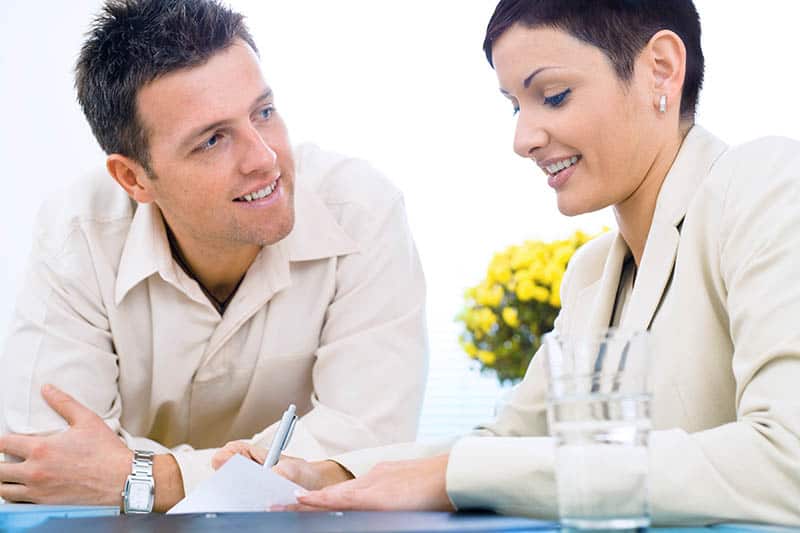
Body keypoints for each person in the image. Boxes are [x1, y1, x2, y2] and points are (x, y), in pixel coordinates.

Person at [218, 0, 800, 525]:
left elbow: (787, 463)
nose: (523, 138)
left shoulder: (766, 185)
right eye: (513, 104)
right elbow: (505, 440)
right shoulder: (595, 274)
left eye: (552, 96)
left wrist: (453, 478)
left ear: (661, 69)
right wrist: (333, 474)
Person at [0, 0, 427, 512]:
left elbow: (371, 448)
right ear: (133, 178)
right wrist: (275, 475)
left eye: (263, 113)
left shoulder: (360, 208)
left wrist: (146, 479)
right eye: (212, 140)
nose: (264, 159)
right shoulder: (79, 233)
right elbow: (43, 463)